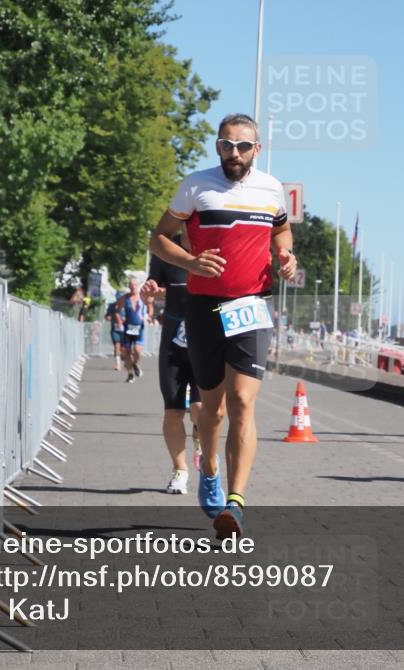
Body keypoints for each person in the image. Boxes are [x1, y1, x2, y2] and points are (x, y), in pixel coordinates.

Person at [150, 113, 296, 539]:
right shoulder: (196, 185)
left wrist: (287, 258)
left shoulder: (271, 189)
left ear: (257, 149)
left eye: (243, 146)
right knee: (210, 409)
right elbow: (159, 237)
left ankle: (236, 503)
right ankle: (209, 469)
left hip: (250, 306)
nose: (234, 153)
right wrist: (191, 262)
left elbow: (282, 233)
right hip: (203, 307)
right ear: (217, 146)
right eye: (227, 145)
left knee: (243, 404)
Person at [142, 234, 204, 495]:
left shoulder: (214, 244)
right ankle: (180, 471)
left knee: (202, 409)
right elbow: (152, 287)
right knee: (173, 410)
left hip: (206, 338)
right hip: (173, 338)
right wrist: (151, 291)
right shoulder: (165, 247)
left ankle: (202, 442)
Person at [115, 277, 151, 383]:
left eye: (135, 285)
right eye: (131, 285)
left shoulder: (142, 297)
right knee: (127, 352)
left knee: (137, 351)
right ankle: (130, 374)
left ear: (138, 285)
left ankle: (135, 363)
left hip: (139, 328)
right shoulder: (124, 298)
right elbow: (117, 310)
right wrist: (119, 319)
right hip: (128, 328)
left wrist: (149, 316)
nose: (133, 287)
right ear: (129, 286)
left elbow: (150, 306)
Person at [104, 295, 123, 371]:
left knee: (124, 348)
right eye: (118, 298)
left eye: (121, 298)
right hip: (115, 329)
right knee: (116, 346)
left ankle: (125, 359)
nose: (119, 300)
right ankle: (118, 364)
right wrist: (108, 317)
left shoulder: (126, 305)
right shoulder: (112, 306)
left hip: (125, 329)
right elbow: (107, 315)